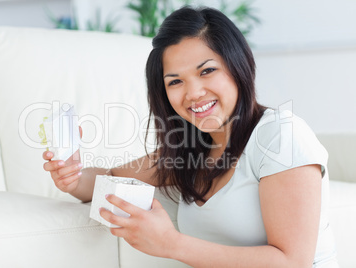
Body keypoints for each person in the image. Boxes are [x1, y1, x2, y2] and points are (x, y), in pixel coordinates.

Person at [43, 6, 338, 267]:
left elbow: (293, 262)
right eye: (175, 81)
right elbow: (109, 178)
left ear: (239, 65)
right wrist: (73, 176)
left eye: (207, 70)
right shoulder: (190, 149)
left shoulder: (280, 135)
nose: (193, 93)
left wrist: (171, 244)